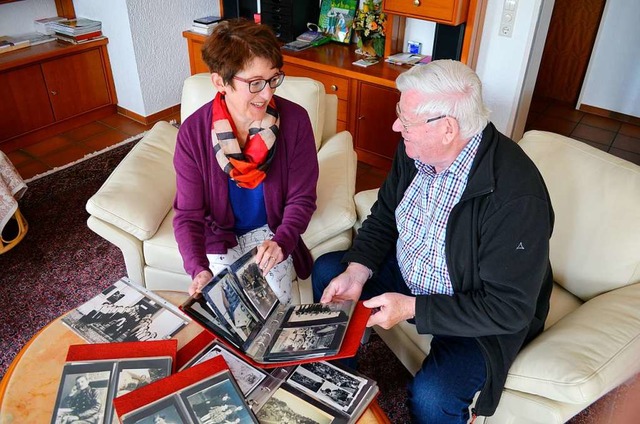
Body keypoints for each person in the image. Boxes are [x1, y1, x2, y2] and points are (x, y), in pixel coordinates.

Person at [312, 60, 554, 423]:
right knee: (330, 270)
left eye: (405, 121)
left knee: (433, 396)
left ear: (447, 129)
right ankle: (339, 383)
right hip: (412, 271)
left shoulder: (517, 198)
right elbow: (384, 217)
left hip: (472, 305)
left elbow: (509, 309)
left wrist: (412, 308)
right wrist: (358, 272)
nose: (396, 126)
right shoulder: (416, 151)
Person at [173, 19, 319, 304]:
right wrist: (198, 270)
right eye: (254, 84)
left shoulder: (296, 121)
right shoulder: (193, 133)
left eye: (273, 79)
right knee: (224, 313)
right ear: (220, 82)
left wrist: (282, 242)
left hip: (271, 233)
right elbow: (188, 216)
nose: (267, 94)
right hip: (218, 237)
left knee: (273, 313)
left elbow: (302, 198)